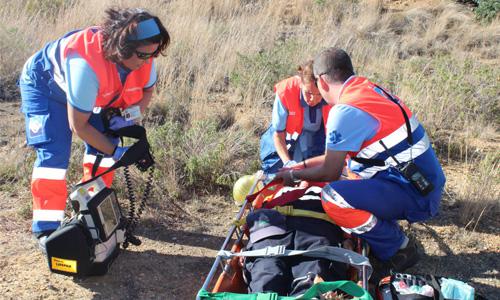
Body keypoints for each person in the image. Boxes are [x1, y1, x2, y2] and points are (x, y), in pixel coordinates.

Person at [276, 48, 446, 272]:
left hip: (415, 192)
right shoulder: (367, 89)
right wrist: (301, 166)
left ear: (323, 80)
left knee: (333, 197)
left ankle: (398, 247)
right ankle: (384, 228)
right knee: (351, 172)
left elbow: (330, 171)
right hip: (421, 182)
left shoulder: (344, 110)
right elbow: (337, 158)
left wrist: (293, 175)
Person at [19, 8, 170, 248]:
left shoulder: (144, 57)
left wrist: (130, 118)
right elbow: (79, 126)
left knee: (103, 154)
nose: (148, 61)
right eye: (143, 55)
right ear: (123, 49)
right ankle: (47, 231)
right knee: (54, 158)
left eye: (154, 54)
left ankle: (91, 213)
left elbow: (147, 90)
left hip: (92, 94)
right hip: (46, 86)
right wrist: (116, 151)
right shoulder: (85, 67)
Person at [260, 60, 331, 174]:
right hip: (284, 138)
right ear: (301, 83)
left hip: (313, 138)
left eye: (319, 95)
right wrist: (288, 164)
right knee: (274, 175)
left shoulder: (332, 95)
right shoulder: (286, 91)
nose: (313, 99)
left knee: (316, 173)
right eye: (308, 93)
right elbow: (278, 134)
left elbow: (335, 140)